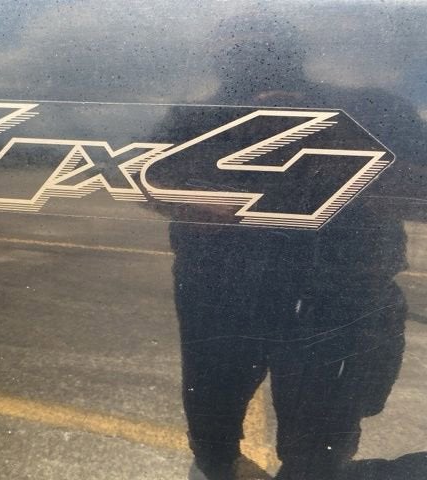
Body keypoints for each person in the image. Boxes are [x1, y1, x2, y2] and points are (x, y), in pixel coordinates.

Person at [151, 17, 426, 480]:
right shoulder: (195, 118)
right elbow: (143, 179)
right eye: (236, 53)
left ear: (297, 52)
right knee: (213, 434)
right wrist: (195, 197)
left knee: (318, 451)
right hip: (219, 295)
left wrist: (349, 154)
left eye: (266, 50)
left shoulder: (371, 110)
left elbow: (420, 193)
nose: (254, 66)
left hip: (339, 297)